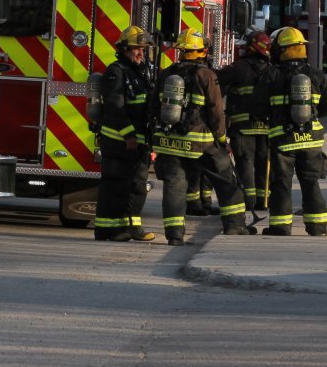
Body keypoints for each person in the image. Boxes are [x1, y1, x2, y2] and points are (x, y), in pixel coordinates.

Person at [151, 29, 252, 245]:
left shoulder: (166, 73)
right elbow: (216, 110)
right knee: (226, 178)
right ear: (202, 51)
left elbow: (153, 106)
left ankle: (174, 235)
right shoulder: (206, 75)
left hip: (169, 141)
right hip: (200, 141)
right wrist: (221, 139)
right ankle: (235, 225)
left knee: (174, 186)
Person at [265, 26, 327, 236]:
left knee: (281, 184)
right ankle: (318, 226)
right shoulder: (315, 75)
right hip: (311, 139)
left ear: (281, 50)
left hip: (283, 140)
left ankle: (280, 226)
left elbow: (258, 106)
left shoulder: (272, 76)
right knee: (311, 182)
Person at [91, 26, 156, 243]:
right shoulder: (115, 72)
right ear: (125, 49)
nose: (141, 53)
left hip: (137, 141)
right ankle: (108, 229)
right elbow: (115, 107)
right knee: (116, 185)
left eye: (143, 49)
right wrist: (129, 135)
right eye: (137, 48)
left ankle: (126, 228)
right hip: (119, 141)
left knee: (135, 185)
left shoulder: (141, 73)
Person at [216, 30, 275, 213]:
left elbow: (214, 79)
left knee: (245, 164)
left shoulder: (238, 68)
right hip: (267, 128)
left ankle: (247, 202)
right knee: (264, 163)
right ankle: (263, 201)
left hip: (243, 128)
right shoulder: (273, 71)